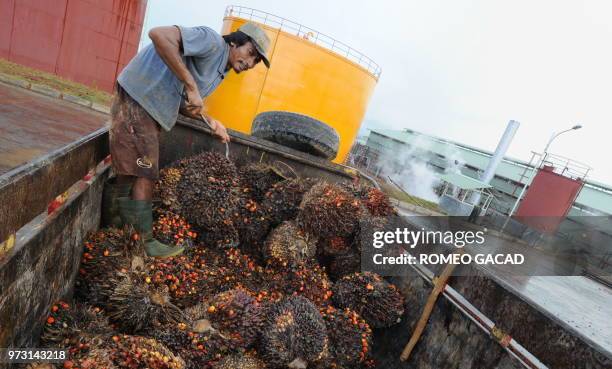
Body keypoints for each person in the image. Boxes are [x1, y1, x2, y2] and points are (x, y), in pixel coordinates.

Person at [102, 22, 271, 257]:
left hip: (152, 109)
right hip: (139, 97)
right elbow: (158, 35)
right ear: (235, 41)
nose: (250, 63)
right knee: (146, 170)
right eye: (251, 53)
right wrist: (192, 86)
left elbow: (186, 103)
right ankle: (145, 242)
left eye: (256, 62)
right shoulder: (212, 42)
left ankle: (116, 223)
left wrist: (210, 121)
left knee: (133, 168)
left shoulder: (220, 70)